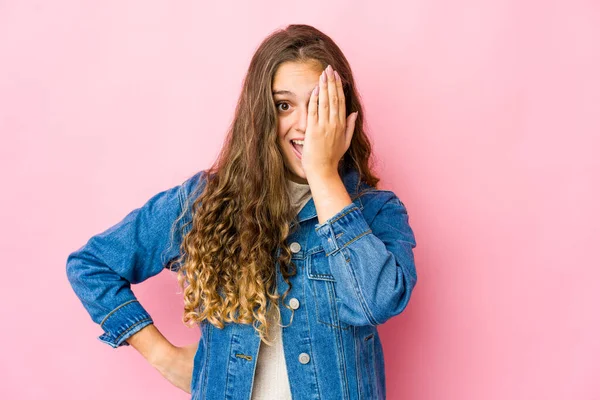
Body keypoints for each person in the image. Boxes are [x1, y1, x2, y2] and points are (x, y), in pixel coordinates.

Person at [66, 23, 417, 400]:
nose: (303, 124)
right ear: (261, 114)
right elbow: (92, 265)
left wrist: (323, 173)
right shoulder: (203, 202)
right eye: (284, 105)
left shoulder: (377, 212)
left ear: (342, 114)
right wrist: (162, 355)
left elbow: (376, 302)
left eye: (318, 105)